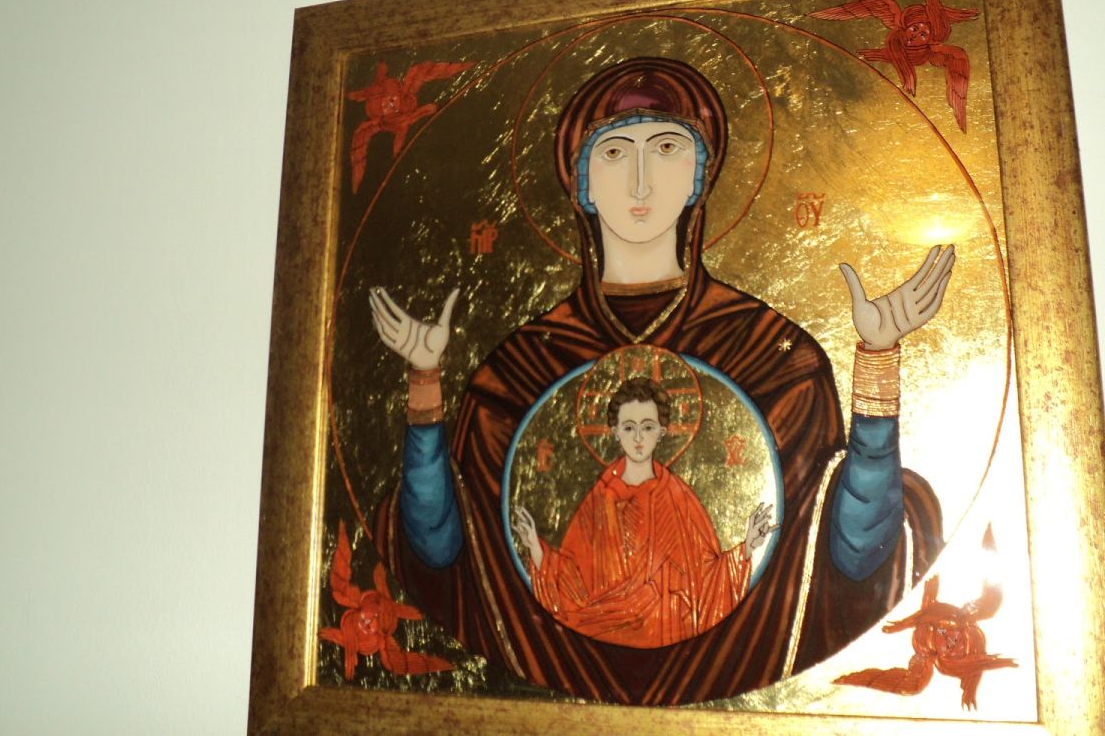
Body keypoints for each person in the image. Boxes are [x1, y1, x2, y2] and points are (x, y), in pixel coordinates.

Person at [368, 57, 951, 704]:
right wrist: (424, 381)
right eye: (615, 152)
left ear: (700, 176)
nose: (641, 179)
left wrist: (877, 359)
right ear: (582, 183)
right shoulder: (518, 371)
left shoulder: (774, 355)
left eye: (668, 148)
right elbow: (441, 555)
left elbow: (854, 555)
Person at [512, 376, 773, 648]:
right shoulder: (599, 500)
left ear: (661, 431)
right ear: (615, 432)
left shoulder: (678, 499)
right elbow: (572, 579)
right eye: (629, 427)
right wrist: (534, 547)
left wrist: (747, 547)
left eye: (647, 427)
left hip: (669, 637)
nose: (638, 438)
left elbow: (706, 580)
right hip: (601, 639)